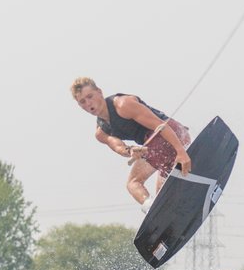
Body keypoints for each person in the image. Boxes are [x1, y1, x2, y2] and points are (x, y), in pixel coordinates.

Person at [70, 77, 192, 213]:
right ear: (80, 106)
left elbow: (160, 125)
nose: (88, 103)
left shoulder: (123, 104)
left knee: (133, 182)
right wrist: (131, 151)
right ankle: (160, 211)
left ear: (99, 92)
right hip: (164, 145)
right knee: (162, 199)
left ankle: (153, 210)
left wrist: (181, 151)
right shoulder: (101, 133)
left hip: (170, 134)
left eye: (90, 96)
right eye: (82, 102)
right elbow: (118, 147)